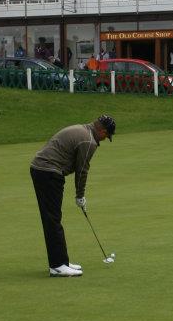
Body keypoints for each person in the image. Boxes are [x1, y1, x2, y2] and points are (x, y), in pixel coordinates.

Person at [29, 115, 116, 277]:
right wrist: (80, 196)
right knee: (53, 219)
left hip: (44, 170)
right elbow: (82, 170)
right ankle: (57, 265)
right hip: (47, 172)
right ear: (102, 131)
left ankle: (62, 261)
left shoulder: (83, 129)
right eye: (106, 136)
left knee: (53, 218)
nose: (105, 139)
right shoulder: (89, 141)